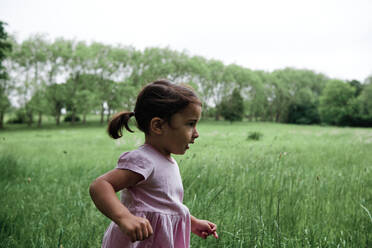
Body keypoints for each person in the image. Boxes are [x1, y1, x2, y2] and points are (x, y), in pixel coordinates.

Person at [89, 79, 218, 248]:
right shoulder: (144, 160)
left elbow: (166, 205)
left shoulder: (168, 161)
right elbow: (100, 185)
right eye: (190, 124)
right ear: (158, 125)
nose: (196, 133)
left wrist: (191, 222)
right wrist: (124, 217)